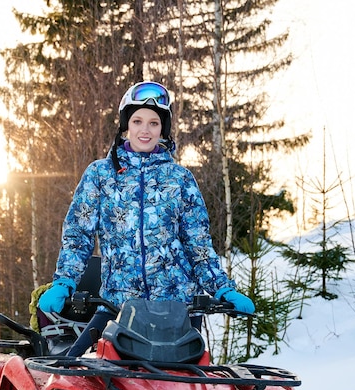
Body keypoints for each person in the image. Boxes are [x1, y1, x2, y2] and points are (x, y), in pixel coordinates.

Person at [39, 80, 254, 356]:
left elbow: (197, 245)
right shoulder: (100, 175)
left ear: (162, 128)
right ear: (126, 125)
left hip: (178, 312)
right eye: (138, 120)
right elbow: (78, 236)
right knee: (72, 373)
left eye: (154, 123)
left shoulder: (180, 179)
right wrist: (64, 282)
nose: (145, 129)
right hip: (119, 307)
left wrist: (223, 289)